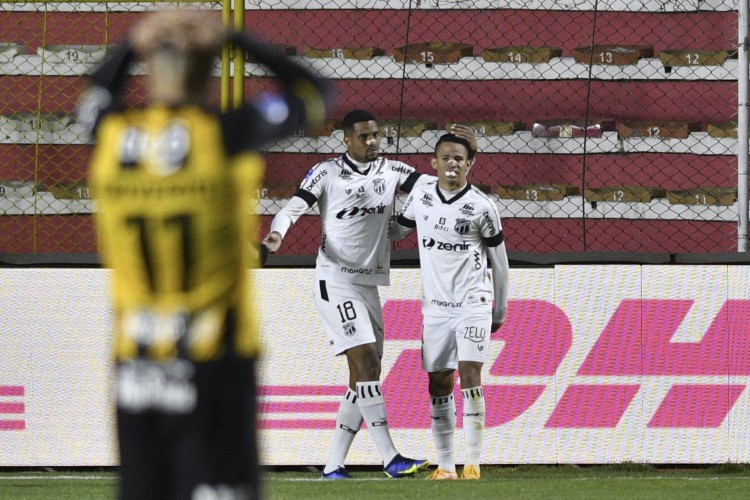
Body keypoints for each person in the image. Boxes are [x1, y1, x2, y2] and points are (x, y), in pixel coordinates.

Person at [78, 10, 333, 499]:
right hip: (213, 358)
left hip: (138, 364)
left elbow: (94, 98)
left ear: (151, 68)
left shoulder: (110, 136)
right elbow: (313, 94)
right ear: (209, 70)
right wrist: (233, 38)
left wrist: (132, 44)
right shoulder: (225, 135)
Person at [262, 110, 477, 478]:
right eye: (364, 136)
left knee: (367, 373)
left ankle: (333, 464)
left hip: (369, 284)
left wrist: (468, 151)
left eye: (377, 135)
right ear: (347, 139)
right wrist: (276, 235)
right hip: (334, 280)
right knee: (363, 362)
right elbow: (293, 207)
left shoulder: (392, 171)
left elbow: (437, 183)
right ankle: (390, 457)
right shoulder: (327, 172)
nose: (373, 141)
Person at [389, 133, 510, 480]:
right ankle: (445, 465)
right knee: (438, 382)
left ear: (470, 164)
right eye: (446, 157)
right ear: (434, 162)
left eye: (459, 158)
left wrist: (499, 309)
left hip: (473, 302)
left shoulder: (483, 205)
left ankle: (472, 462)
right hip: (436, 307)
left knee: (470, 374)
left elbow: (499, 262)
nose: (453, 163)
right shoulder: (422, 194)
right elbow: (398, 233)